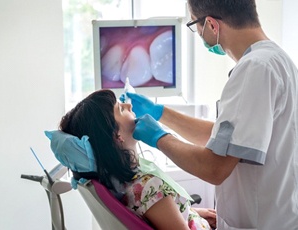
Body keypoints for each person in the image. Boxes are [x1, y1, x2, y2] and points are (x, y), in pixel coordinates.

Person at [125, 0, 298, 229]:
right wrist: (160, 113)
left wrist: (159, 138)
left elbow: (214, 168)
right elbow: (225, 141)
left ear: (211, 25)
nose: (198, 34)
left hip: (261, 222)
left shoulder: (255, 68)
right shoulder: (277, 60)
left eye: (195, 26)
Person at [54, 89, 216, 230]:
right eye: (121, 108)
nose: (129, 106)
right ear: (116, 135)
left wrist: (192, 214)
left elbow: (156, 215)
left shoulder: (121, 184)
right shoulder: (148, 186)